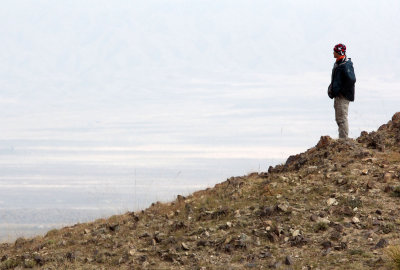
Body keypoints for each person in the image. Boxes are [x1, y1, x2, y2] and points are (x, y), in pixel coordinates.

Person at [328, 43, 356, 139]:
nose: (333, 53)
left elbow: (351, 80)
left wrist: (341, 91)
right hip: (338, 95)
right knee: (339, 118)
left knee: (342, 119)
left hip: (342, 96)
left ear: (338, 52)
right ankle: (342, 139)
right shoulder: (339, 63)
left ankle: (344, 140)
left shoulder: (345, 65)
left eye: (334, 51)